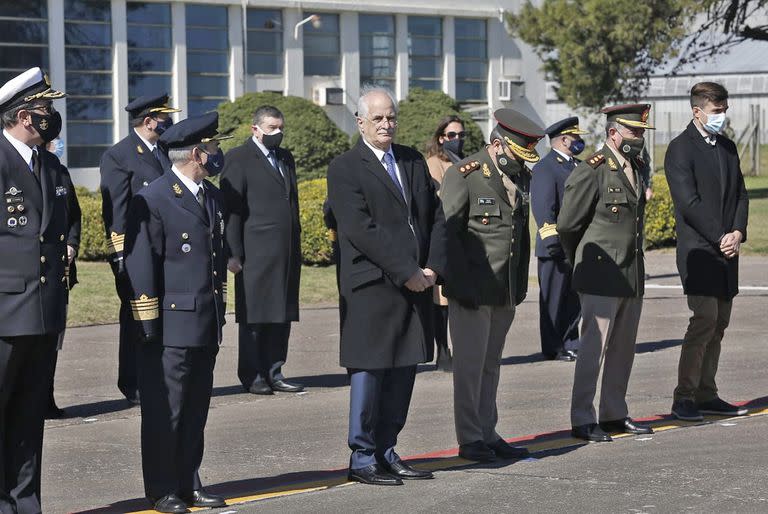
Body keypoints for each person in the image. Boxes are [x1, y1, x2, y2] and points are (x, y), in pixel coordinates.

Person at [327, 86, 446, 486]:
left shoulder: (412, 160)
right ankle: (362, 457)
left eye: (391, 116)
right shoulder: (345, 167)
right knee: (370, 371)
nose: (386, 124)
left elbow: (436, 217)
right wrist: (406, 270)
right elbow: (361, 229)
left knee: (404, 369)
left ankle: (387, 449)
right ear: (360, 122)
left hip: (416, 282)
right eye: (377, 118)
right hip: (372, 285)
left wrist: (432, 268)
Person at [123, 112, 231, 513]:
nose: (218, 153)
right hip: (168, 325)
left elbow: (214, 262)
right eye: (214, 147)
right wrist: (148, 323)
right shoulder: (153, 199)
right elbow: (140, 266)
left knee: (195, 410)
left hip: (204, 321)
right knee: (165, 412)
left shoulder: (211, 196)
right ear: (198, 154)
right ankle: (163, 489)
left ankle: (189, 481)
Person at [440, 109, 541, 462]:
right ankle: (470, 438)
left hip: (504, 289)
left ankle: (487, 431)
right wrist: (457, 283)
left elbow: (519, 238)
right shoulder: (464, 175)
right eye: (516, 153)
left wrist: (519, 284)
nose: (520, 161)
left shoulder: (519, 176)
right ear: (497, 144)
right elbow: (447, 235)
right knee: (469, 368)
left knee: (491, 365)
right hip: (471, 290)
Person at [558, 104, 655, 443]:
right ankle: (582, 417)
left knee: (623, 348)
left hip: (630, 271)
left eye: (642, 132)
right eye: (634, 132)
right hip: (600, 272)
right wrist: (581, 260)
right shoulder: (593, 168)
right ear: (614, 133)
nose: (639, 138)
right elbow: (568, 224)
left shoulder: (637, 166)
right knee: (593, 348)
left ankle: (614, 412)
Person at [0, 66, 70, 514]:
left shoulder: (47, 163)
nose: (50, 117)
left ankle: (25, 503)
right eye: (45, 109)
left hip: (43, 309)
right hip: (5, 309)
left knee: (29, 417)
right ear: (26, 115)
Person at [665, 82, 749, 421]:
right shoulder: (680, 149)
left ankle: (706, 393)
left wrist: (738, 233)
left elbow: (741, 194)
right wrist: (720, 236)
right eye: (717, 112)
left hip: (728, 249)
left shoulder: (727, 147)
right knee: (704, 320)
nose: (722, 117)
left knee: (720, 323)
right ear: (697, 111)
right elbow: (689, 204)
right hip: (699, 249)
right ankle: (684, 397)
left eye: (725, 111)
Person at [100, 93, 180, 404]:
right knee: (135, 317)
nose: (168, 123)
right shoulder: (120, 156)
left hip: (165, 251)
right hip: (135, 251)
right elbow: (116, 210)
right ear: (148, 122)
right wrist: (121, 256)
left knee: (161, 317)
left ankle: (156, 377)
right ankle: (131, 381)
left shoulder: (163, 151)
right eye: (163, 118)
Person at [220, 105, 304, 396]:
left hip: (286, 252)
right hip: (254, 253)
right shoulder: (238, 159)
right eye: (271, 128)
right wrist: (232, 252)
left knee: (281, 314)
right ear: (254, 129)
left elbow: (291, 202)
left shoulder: (285, 157)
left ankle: (275, 370)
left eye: (280, 128)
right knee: (255, 316)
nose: (277, 134)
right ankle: (252, 373)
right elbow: (232, 210)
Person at [531, 116, 587, 362]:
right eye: (576, 138)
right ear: (564, 140)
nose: (579, 141)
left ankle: (571, 341)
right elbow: (544, 209)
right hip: (555, 247)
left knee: (573, 300)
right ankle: (553, 346)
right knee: (553, 301)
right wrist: (554, 244)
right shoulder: (546, 167)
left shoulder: (576, 165)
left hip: (575, 246)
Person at [425, 115, 465, 372]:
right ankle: (443, 351)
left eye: (461, 135)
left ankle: (460, 348)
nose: (457, 140)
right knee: (441, 300)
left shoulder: (464, 161)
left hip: (464, 238)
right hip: (443, 235)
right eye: (452, 136)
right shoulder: (433, 163)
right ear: (441, 138)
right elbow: (439, 198)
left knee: (460, 299)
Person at [45, 138, 81, 419]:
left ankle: (47, 397)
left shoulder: (61, 172)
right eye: (55, 140)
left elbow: (74, 215)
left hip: (62, 273)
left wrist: (72, 243)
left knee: (55, 339)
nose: (59, 143)